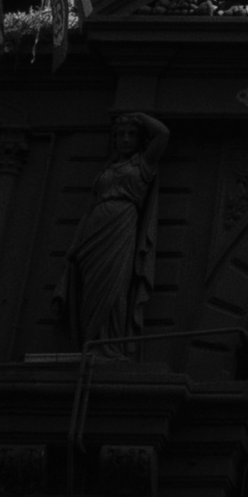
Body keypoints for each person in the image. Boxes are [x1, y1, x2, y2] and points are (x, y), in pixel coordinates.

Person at [57, 112, 169, 348]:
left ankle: (109, 345)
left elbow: (163, 134)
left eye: (131, 134)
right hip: (93, 232)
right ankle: (90, 342)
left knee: (115, 284)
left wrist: (138, 115)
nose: (125, 139)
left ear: (140, 140)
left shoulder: (143, 164)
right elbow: (88, 210)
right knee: (90, 290)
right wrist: (75, 244)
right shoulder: (108, 169)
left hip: (121, 225)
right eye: (120, 135)